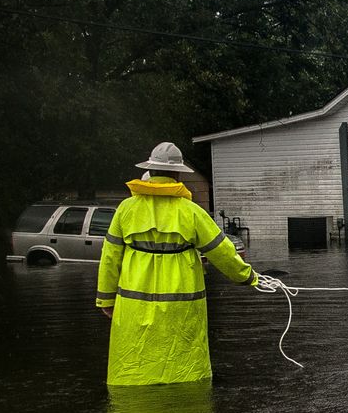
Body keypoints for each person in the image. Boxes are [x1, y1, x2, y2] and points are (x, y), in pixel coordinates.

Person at [97, 142, 260, 385]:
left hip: (133, 310)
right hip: (181, 313)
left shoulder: (125, 210)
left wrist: (106, 300)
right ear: (177, 174)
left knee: (134, 372)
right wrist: (248, 277)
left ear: (150, 171)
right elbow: (223, 252)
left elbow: (110, 259)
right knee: (185, 374)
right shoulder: (191, 212)